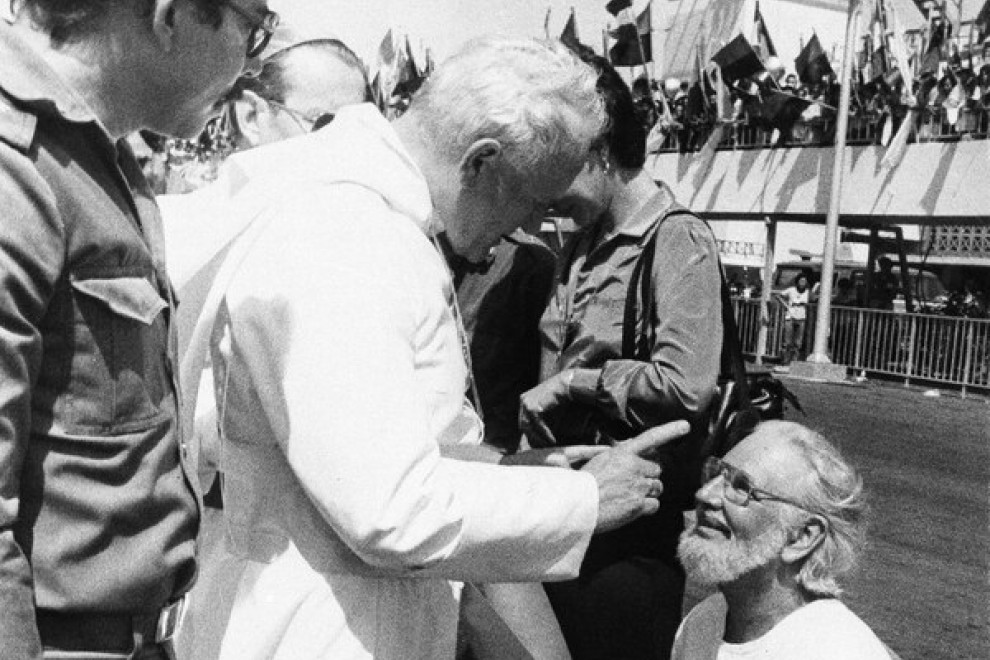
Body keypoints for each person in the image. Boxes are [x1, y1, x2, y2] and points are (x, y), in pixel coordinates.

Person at [180, 37, 684, 660]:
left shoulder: (368, 221)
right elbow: (387, 508)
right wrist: (582, 501)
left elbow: (391, 444)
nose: (528, 230)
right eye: (534, 201)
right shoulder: (346, 234)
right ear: (483, 162)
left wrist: (516, 475)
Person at [0, 1, 276, 658]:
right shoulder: (18, 164)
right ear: (170, 15)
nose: (253, 62)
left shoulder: (96, 159)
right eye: (253, 28)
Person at [160, 31, 376, 660]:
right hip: (216, 542)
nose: (347, 148)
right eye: (325, 123)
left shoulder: (357, 232)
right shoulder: (184, 226)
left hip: (325, 568)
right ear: (252, 115)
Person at [520, 48, 723, 660]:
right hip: (564, 508)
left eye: (560, 170)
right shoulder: (581, 242)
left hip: (632, 534)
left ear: (600, 156)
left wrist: (577, 383)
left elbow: (687, 385)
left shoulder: (678, 237)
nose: (549, 193)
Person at [673, 421, 895, 660]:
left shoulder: (837, 652)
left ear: (802, 536)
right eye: (715, 474)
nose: (704, 495)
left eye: (741, 487)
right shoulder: (703, 622)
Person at [777, 273, 810, 366]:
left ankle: (794, 362)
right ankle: (785, 361)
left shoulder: (807, 292)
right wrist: (786, 305)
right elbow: (778, 295)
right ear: (797, 282)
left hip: (801, 318)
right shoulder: (791, 290)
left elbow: (813, 299)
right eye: (801, 281)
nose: (802, 283)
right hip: (790, 317)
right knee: (787, 342)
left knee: (798, 343)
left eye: (804, 281)